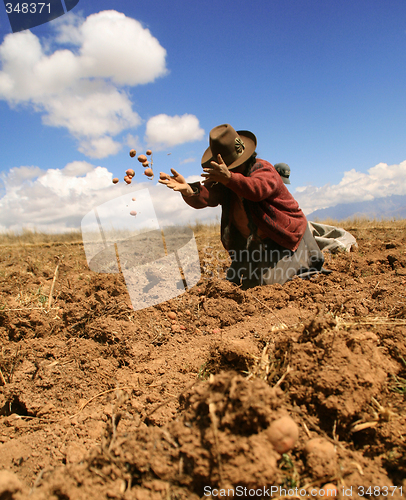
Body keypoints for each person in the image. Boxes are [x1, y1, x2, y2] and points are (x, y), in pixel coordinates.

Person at [159, 124, 325, 289]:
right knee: (237, 282)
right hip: (252, 245)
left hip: (283, 238)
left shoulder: (262, 169)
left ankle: (305, 265)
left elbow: (257, 190)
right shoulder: (224, 181)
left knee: (267, 285)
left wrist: (230, 178)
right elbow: (209, 194)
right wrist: (189, 191)